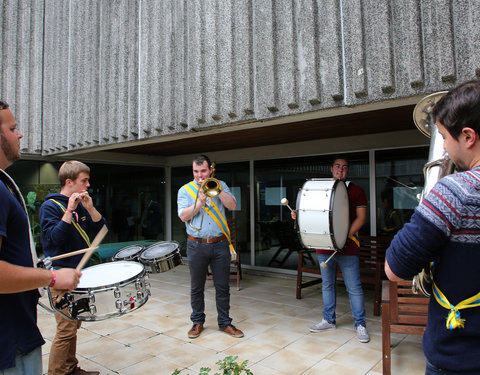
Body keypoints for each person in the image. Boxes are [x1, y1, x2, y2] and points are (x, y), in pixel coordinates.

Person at [385, 80, 480, 374]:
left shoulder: (455, 193)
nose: (446, 150)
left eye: (442, 138)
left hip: (460, 357)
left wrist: (431, 201)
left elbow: (394, 268)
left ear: (467, 136)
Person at [0, 100, 81, 374]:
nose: (20, 134)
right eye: (12, 128)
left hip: (17, 333)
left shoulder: (4, 186)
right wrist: (54, 277)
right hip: (10, 344)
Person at [292, 157, 370, 343]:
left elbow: (361, 218)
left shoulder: (356, 190)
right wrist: (297, 215)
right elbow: (310, 213)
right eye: (337, 166)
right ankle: (328, 319)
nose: (340, 169)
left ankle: (360, 324)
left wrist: (344, 237)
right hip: (324, 247)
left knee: (354, 287)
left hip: (348, 247)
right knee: (327, 285)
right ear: (331, 169)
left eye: (344, 167)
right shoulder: (321, 189)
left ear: (348, 170)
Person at [39, 161, 107, 375]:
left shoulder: (82, 206)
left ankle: (70, 367)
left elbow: (102, 229)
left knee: (74, 325)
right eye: (84, 181)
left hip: (79, 275)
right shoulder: (50, 207)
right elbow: (53, 240)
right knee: (65, 330)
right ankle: (57, 372)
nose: (88, 185)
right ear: (69, 182)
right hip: (60, 276)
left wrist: (90, 208)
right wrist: (69, 210)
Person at [177, 154, 243, 339]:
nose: (200, 176)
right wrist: (199, 202)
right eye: (196, 172)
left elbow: (232, 205)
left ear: (211, 170)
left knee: (222, 286)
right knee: (197, 287)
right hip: (196, 245)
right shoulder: (185, 190)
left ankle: (225, 323)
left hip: (220, 244)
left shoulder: (220, 184)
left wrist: (217, 189)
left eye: (203, 171)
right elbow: (183, 216)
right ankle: (197, 322)